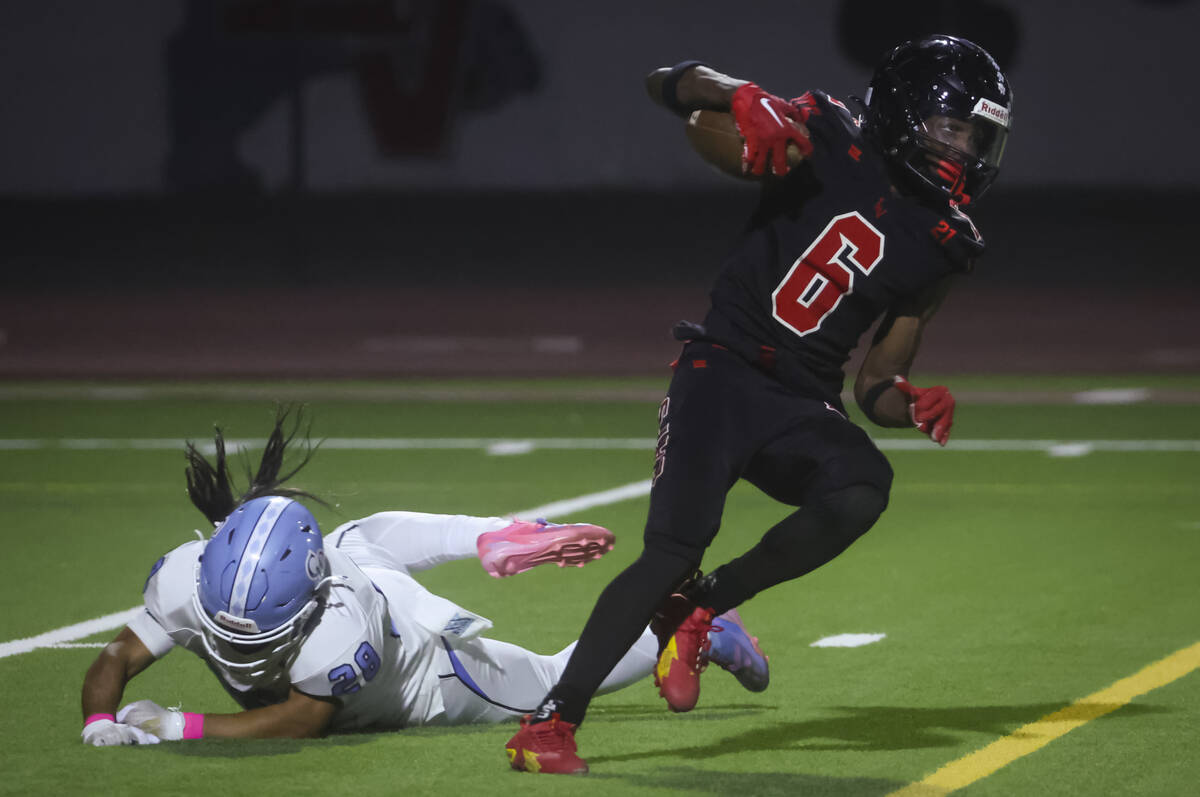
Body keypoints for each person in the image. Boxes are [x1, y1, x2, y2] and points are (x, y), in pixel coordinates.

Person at [504, 34, 1013, 774]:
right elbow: (664, 84)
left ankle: (703, 605)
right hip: (720, 368)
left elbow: (874, 384)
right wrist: (739, 96)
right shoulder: (830, 132)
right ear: (907, 114)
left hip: (801, 400)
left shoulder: (945, 241)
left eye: (978, 137)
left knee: (863, 486)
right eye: (954, 129)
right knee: (672, 549)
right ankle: (550, 722)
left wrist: (909, 403)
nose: (966, 151)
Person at [79, 409, 768, 745]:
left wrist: (179, 724)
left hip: (430, 674)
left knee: (560, 679)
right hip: (357, 554)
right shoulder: (186, 577)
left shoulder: (337, 629)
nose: (235, 635)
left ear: (310, 602)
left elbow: (297, 719)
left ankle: (693, 620)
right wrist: (99, 719)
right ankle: (489, 533)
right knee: (360, 536)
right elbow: (117, 654)